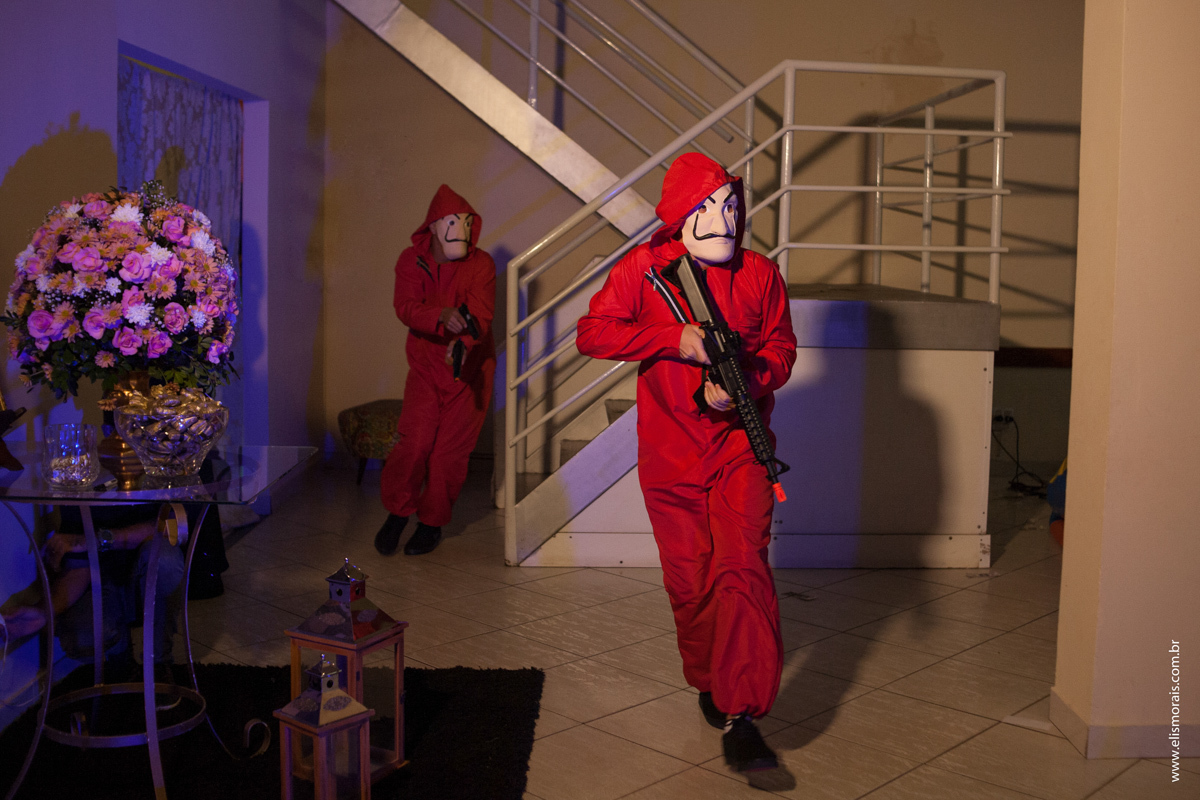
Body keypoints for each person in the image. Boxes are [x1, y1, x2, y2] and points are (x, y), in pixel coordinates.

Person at [576, 153, 797, 772]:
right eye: (707, 207)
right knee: (691, 582)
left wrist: (747, 381)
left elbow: (782, 347)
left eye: (730, 205)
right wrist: (674, 339)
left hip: (741, 450)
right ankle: (709, 677)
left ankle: (742, 710)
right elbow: (592, 332)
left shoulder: (759, 274)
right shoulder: (647, 271)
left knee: (742, 567)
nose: (722, 219)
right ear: (680, 216)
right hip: (670, 453)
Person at [374, 185, 495, 556]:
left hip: (469, 375)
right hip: (426, 368)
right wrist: (440, 317)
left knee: (448, 455)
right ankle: (398, 512)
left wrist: (464, 340)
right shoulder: (411, 261)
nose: (460, 229)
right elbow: (405, 306)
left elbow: (481, 314)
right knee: (414, 443)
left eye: (465, 222)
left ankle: (431, 523)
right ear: (434, 225)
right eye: (451, 222)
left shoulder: (481, 264)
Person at [0, 505, 185, 696]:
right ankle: (121, 662)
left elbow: (173, 526)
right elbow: (79, 566)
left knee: (165, 561)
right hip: (102, 578)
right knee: (82, 637)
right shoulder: (81, 480)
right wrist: (44, 613)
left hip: (148, 567)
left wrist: (98, 539)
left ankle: (159, 663)